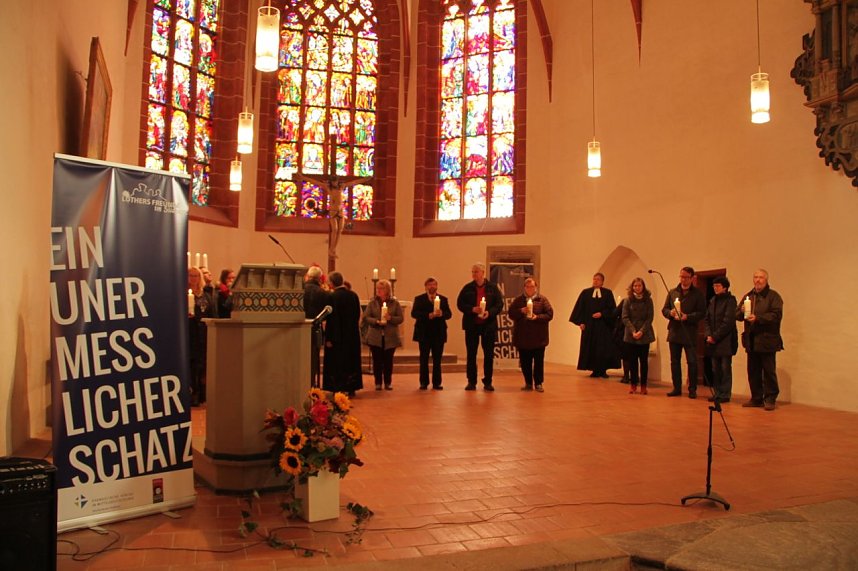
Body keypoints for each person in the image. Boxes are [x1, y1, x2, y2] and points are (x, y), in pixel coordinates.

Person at [736, 269, 784, 411]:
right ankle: (756, 398)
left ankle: (770, 398)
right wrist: (742, 310)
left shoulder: (773, 296)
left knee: (768, 371)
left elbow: (776, 315)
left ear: (766, 280)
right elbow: (737, 314)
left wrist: (758, 318)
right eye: (755, 277)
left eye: (761, 277)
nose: (757, 280)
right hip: (752, 340)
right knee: (753, 370)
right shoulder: (748, 296)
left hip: (767, 340)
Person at [456, 263, 504, 391]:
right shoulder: (467, 288)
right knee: (471, 354)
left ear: (483, 273)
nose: (474, 274)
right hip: (472, 326)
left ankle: (488, 381)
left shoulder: (492, 288)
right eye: (472, 272)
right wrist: (472, 309)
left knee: (488, 355)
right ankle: (471, 381)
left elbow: (499, 304)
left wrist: (489, 312)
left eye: (476, 272)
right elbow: (460, 304)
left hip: (488, 326)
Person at [661, 266, 706, 398]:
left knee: (692, 361)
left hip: (689, 331)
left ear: (692, 278)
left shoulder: (698, 294)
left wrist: (688, 317)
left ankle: (692, 389)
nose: (683, 279)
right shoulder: (672, 292)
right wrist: (670, 313)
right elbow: (664, 309)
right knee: (675, 361)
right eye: (681, 276)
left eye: (686, 277)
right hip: (674, 331)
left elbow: (702, 313)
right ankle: (676, 387)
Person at [569, 272, 621, 378]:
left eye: (598, 279)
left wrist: (602, 314)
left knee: (603, 348)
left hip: (604, 326)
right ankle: (594, 370)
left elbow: (612, 309)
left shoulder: (608, 293)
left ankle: (603, 370)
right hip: (589, 326)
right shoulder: (585, 293)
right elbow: (580, 309)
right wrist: (581, 322)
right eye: (594, 279)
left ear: (602, 282)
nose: (595, 281)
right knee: (591, 347)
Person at [508, 278, 554, 392]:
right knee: (525, 362)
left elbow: (549, 314)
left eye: (532, 287)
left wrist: (537, 317)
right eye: (527, 287)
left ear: (536, 287)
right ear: (524, 287)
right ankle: (528, 383)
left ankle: (538, 383)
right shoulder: (518, 300)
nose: (530, 289)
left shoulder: (542, 300)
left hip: (539, 338)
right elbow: (511, 314)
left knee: (538, 362)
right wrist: (520, 311)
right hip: (523, 338)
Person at [323, 271, 363, 396]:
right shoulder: (353, 295)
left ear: (331, 283)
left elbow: (331, 319)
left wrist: (328, 338)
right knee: (351, 362)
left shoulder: (332, 297)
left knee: (337, 363)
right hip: (352, 336)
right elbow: (357, 315)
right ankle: (351, 387)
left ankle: (337, 387)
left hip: (337, 337)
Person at [411, 277, 453, 390]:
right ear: (425, 287)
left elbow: (449, 314)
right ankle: (423, 382)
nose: (432, 287)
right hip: (424, 333)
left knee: (437, 359)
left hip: (438, 333)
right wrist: (428, 315)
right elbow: (414, 313)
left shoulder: (443, 299)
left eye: (434, 284)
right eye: (429, 285)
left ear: (437, 286)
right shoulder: (419, 299)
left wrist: (442, 313)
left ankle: (437, 383)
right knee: (423, 359)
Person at [363, 279, 404, 391]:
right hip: (375, 336)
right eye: (378, 288)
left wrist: (390, 318)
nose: (378, 290)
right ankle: (378, 382)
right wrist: (376, 321)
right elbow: (366, 317)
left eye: (381, 288)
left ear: (387, 290)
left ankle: (387, 382)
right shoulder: (372, 302)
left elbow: (400, 318)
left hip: (390, 336)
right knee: (377, 360)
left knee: (388, 361)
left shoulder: (395, 303)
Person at [704, 276, 738, 403]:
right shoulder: (713, 300)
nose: (715, 288)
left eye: (718, 286)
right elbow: (707, 319)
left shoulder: (730, 301)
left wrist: (715, 336)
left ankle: (725, 394)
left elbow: (728, 322)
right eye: (714, 286)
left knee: (725, 368)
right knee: (715, 368)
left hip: (725, 341)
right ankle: (717, 392)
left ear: (725, 287)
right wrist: (708, 335)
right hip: (713, 341)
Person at [621, 277, 655, 395]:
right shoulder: (627, 300)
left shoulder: (648, 300)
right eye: (635, 286)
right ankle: (633, 384)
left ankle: (644, 386)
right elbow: (625, 317)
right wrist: (633, 331)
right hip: (631, 334)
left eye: (639, 286)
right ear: (632, 287)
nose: (637, 288)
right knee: (632, 361)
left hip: (644, 334)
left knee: (644, 361)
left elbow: (650, 318)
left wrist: (641, 331)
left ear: (643, 287)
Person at [188, 266, 215, 406]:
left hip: (204, 333)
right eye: (190, 275)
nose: (193, 278)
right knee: (193, 364)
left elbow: (212, 313)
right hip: (191, 333)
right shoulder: (185, 294)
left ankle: (204, 393)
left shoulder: (206, 295)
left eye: (196, 275)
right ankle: (194, 393)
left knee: (204, 364)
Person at [304, 265, 331, 386]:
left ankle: (302, 381)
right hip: (316, 330)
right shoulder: (324, 293)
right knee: (314, 358)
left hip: (299, 329)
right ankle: (312, 382)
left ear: (308, 277)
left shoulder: (299, 290)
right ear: (320, 278)